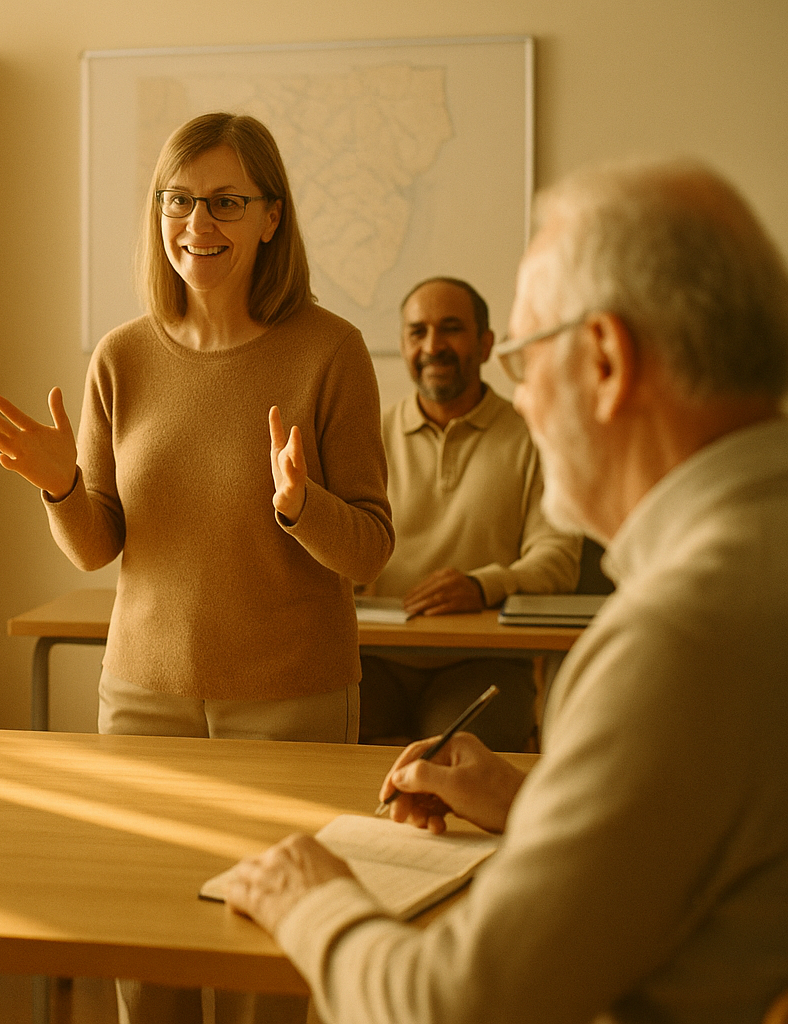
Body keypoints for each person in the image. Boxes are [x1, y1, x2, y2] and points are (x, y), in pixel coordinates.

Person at [223, 159, 788, 1023]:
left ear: (604, 358)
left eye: (521, 357)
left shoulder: (678, 636)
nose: (518, 399)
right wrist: (533, 807)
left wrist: (313, 901)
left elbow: (449, 1008)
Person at [0, 112, 394, 1024]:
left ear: (270, 219)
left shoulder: (330, 350)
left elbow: (369, 551)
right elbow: (98, 545)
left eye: (224, 202)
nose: (196, 225)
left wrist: (298, 505)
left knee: (274, 962)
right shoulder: (121, 356)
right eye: (178, 200)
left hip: (291, 696)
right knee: (151, 953)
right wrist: (59, 487)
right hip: (142, 697)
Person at [360, 277, 581, 751]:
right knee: (326, 746)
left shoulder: (534, 436)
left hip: (486, 660)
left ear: (485, 345)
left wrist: (482, 586)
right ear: (403, 346)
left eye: (451, 329)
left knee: (453, 758)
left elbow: (559, 560)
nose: (433, 346)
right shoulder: (368, 434)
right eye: (418, 332)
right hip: (373, 659)